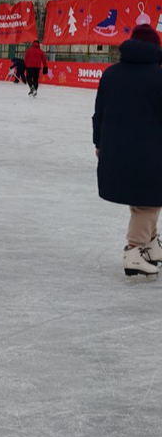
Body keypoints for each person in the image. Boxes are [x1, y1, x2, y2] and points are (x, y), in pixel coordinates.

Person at [92, 24, 162, 276]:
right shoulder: (159, 76)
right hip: (149, 154)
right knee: (149, 200)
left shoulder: (111, 73)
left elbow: (99, 113)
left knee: (144, 198)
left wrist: (98, 144)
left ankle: (151, 245)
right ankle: (134, 250)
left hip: (116, 151)